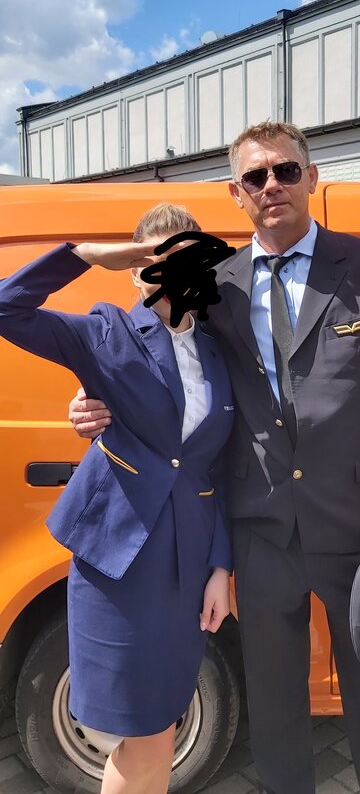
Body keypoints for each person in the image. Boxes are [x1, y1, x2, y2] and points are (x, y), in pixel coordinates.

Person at [69, 122, 360, 794]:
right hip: (259, 535)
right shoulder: (217, 284)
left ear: (311, 178)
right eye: (255, 177)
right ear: (236, 194)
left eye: (286, 170)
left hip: (359, 535)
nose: (272, 186)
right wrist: (94, 400)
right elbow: (158, 356)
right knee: (275, 708)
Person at [0, 203, 235, 794]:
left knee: (161, 727)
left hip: (186, 570)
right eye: (157, 258)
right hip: (119, 567)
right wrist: (84, 255)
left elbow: (220, 468)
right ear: (136, 270)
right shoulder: (106, 334)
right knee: (143, 733)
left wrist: (220, 567)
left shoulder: (217, 348)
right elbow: (7, 307)